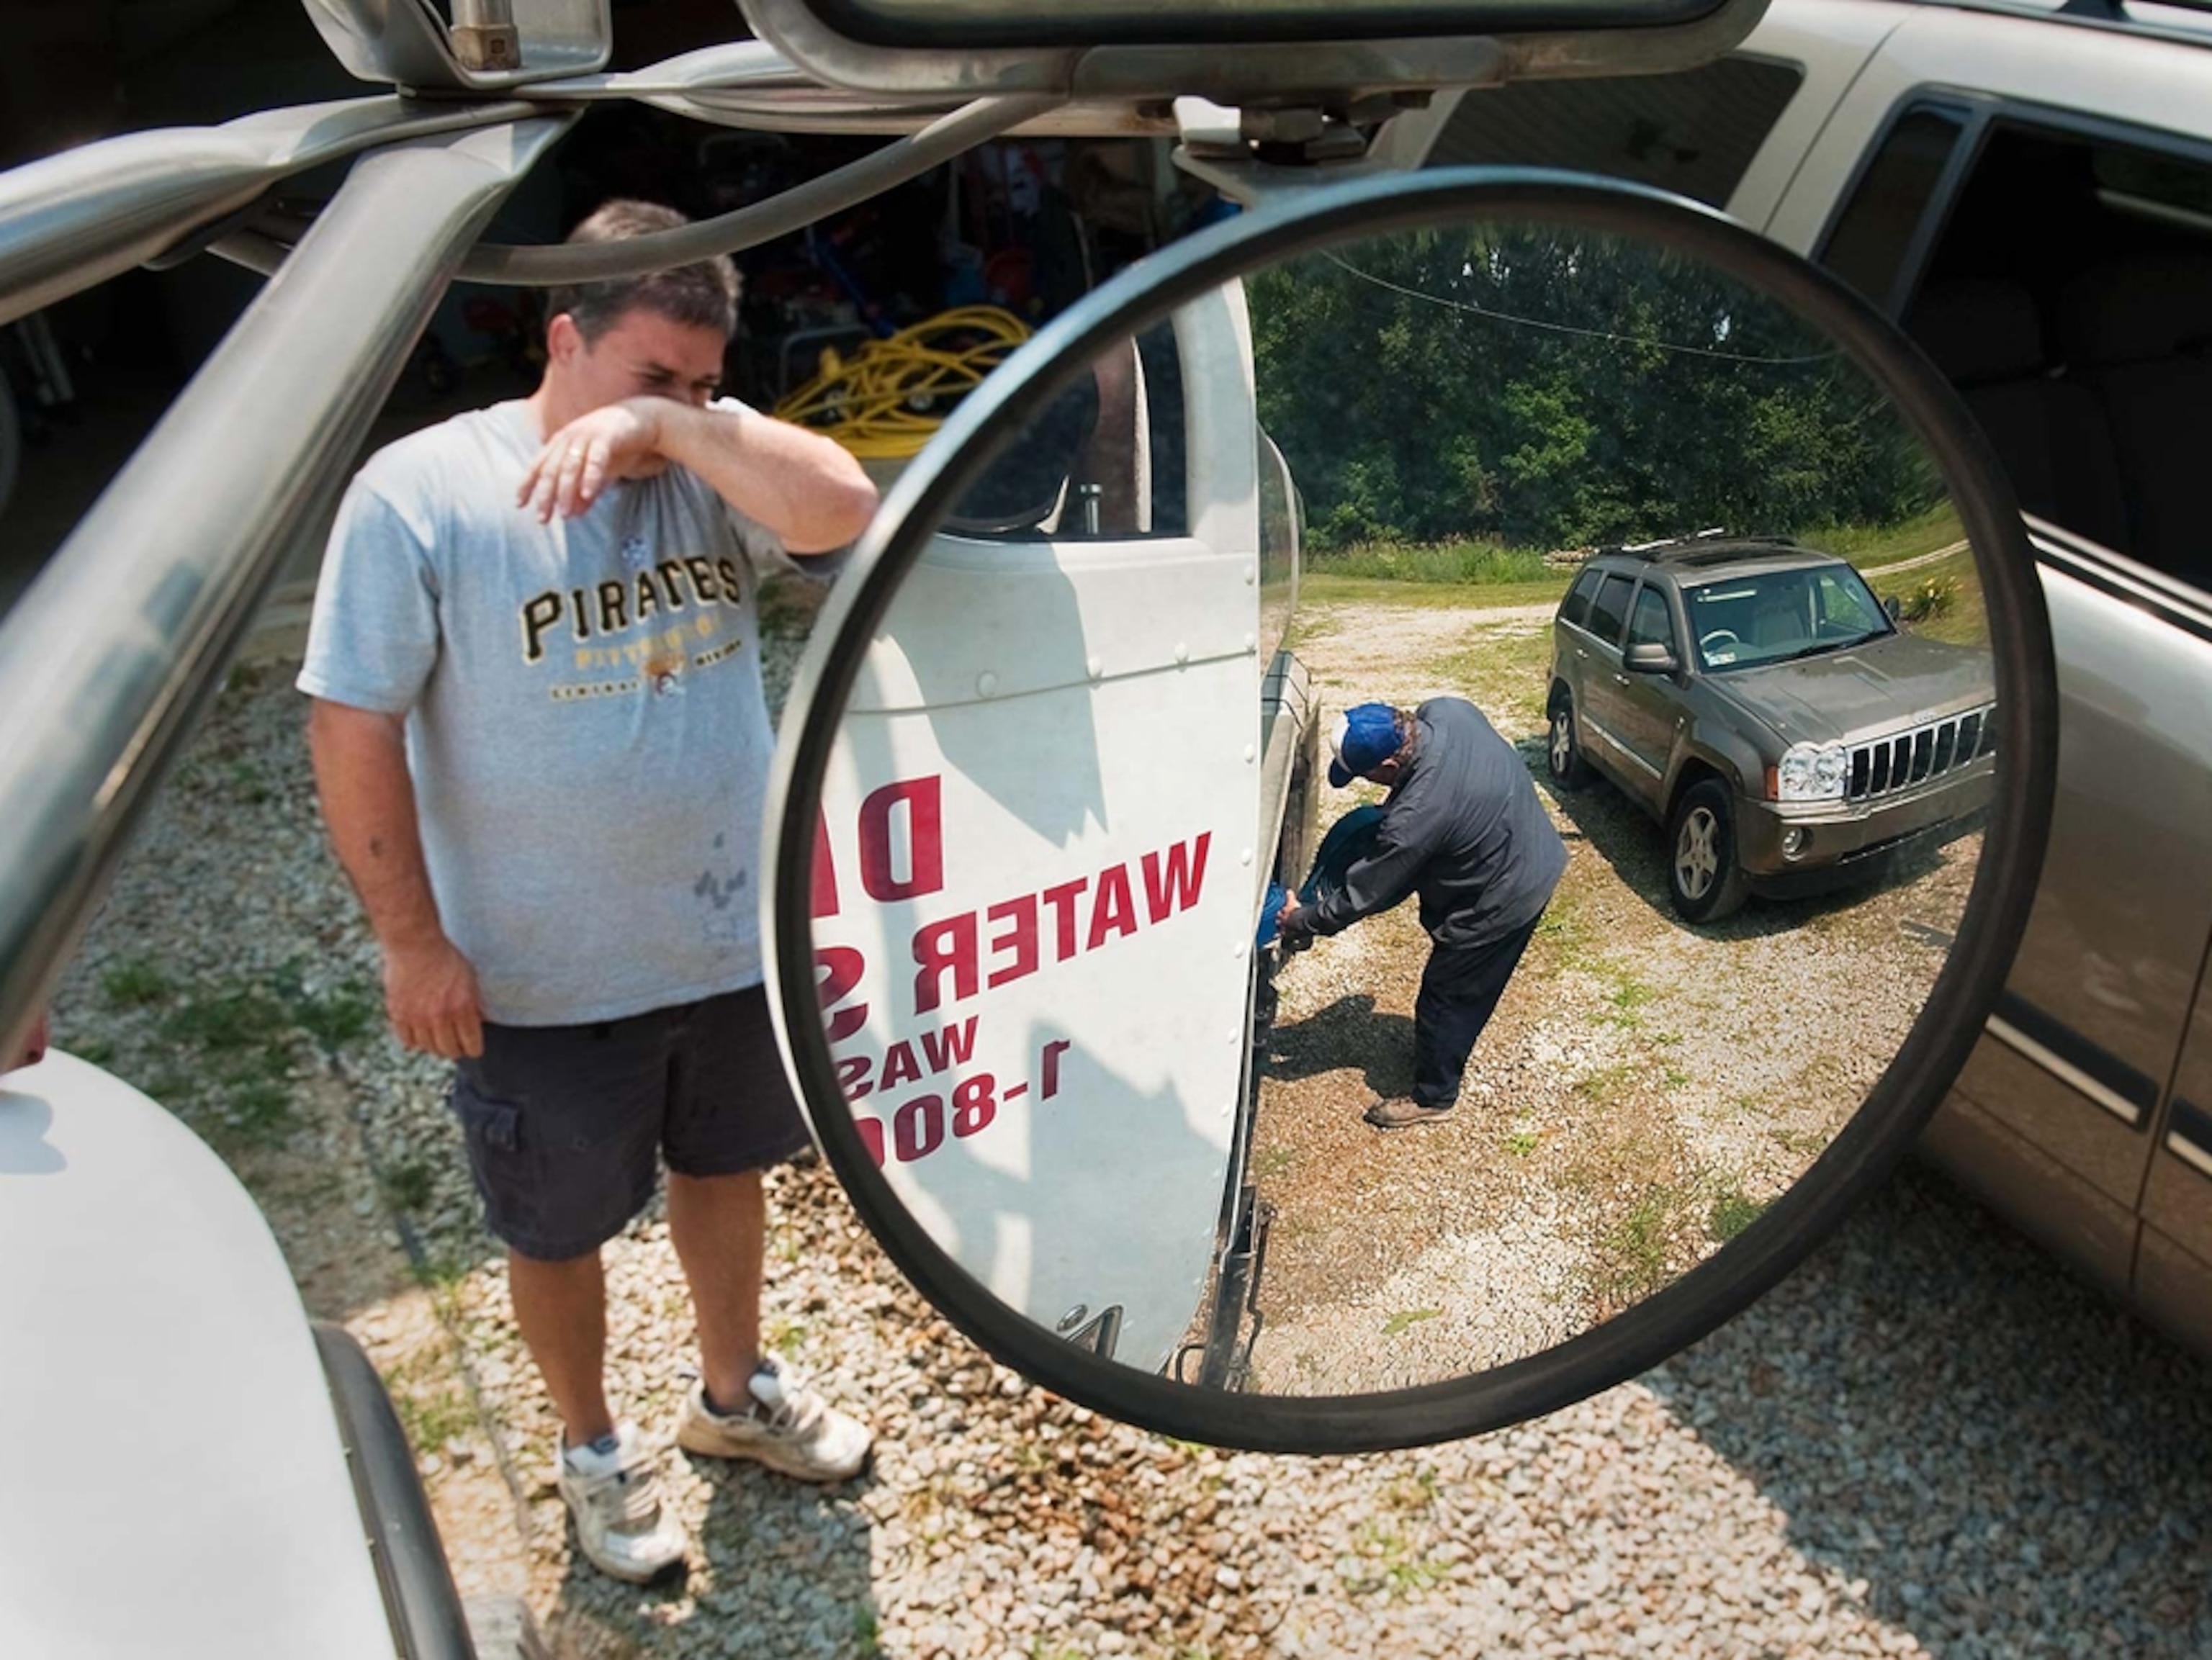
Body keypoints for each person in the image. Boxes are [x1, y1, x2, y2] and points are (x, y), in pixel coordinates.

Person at [297, 200, 881, 1585]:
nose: (679, 403)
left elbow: (846, 508)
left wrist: (674, 430)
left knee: (725, 1170)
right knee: (554, 1227)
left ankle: (730, 1401)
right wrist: (410, 938)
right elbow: (352, 722)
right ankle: (592, 1446)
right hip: (537, 974)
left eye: (702, 379)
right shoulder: (425, 492)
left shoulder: (704, 466)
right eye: (649, 376)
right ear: (565, 338)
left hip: (726, 942)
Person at [1277, 698, 1568, 1130]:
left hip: (1506, 894)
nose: (1367, 784)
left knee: (1447, 994)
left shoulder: (1416, 819)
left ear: (1392, 764)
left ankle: (1435, 1097)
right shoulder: (1447, 711)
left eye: (1366, 774)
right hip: (1525, 839)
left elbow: (1363, 895)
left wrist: (1300, 920)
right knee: (1452, 991)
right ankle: (1440, 1058)